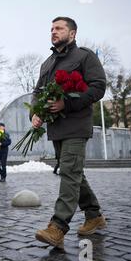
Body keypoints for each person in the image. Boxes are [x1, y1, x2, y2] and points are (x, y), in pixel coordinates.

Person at [32, 17, 107, 249]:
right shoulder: (47, 63)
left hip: (76, 124)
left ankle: (58, 227)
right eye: (52, 28)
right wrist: (35, 113)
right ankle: (94, 215)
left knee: (69, 173)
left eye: (59, 28)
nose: (53, 32)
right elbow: (38, 92)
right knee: (72, 171)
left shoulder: (85, 57)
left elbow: (98, 87)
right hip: (56, 128)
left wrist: (67, 104)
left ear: (72, 33)